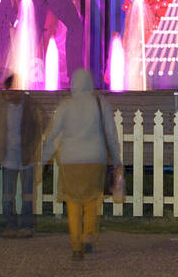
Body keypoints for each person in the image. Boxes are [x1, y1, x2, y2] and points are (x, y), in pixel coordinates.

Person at [40, 69, 119, 261]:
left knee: (73, 201)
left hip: (70, 160)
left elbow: (53, 134)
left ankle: (76, 245)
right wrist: (116, 159)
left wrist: (43, 159)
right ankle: (88, 235)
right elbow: (110, 134)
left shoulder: (66, 106)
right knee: (92, 199)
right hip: (95, 158)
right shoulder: (100, 104)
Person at [0, 74, 43, 237]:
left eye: (10, 91)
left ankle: (27, 226)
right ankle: (10, 225)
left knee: (27, 195)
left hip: (26, 157)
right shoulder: (3, 108)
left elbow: (38, 127)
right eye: (5, 92)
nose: (7, 95)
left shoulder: (30, 106)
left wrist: (33, 148)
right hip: (8, 158)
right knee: (7, 195)